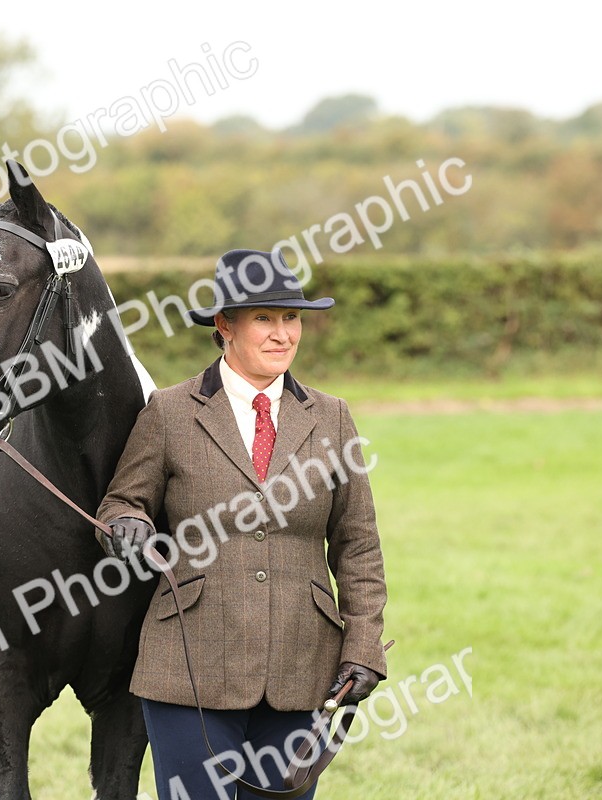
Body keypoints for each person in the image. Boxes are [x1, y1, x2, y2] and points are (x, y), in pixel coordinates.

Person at [96, 248, 389, 799]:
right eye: (264, 318)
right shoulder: (169, 411)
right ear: (225, 325)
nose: (283, 334)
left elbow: (358, 546)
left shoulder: (333, 417)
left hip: (303, 666)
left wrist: (363, 646)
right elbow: (121, 502)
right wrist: (127, 525)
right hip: (188, 664)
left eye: (291, 317)